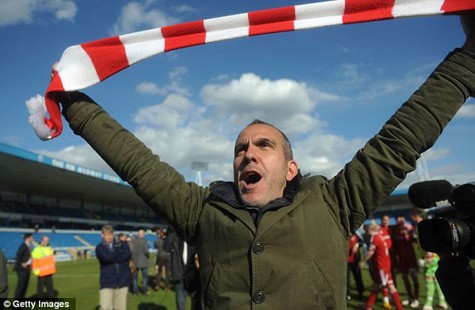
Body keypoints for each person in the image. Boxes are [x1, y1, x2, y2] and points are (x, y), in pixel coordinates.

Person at [56, 15, 475, 309]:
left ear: (291, 168)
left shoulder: (332, 204)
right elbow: (137, 163)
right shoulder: (200, 211)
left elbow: (399, 141)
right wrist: (70, 101)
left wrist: (467, 62)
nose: (248, 154)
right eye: (240, 149)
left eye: (263, 145)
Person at [409, 208, 448, 310]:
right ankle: (442, 301)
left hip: (430, 257)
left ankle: (428, 303)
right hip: (432, 256)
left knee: (429, 280)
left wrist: (428, 256)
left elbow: (430, 241)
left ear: (415, 215)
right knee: (436, 280)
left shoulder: (422, 226)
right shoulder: (423, 225)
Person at [361, 223, 403, 310]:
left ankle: (399, 308)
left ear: (368, 230)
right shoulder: (380, 236)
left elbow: (370, 252)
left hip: (382, 266)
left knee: (391, 287)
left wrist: (362, 261)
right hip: (384, 264)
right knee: (376, 285)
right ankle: (368, 306)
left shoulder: (375, 238)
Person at [95, 224, 133, 310]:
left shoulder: (123, 244)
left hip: (122, 281)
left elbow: (128, 255)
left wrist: (114, 255)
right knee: (105, 307)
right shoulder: (99, 247)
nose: (109, 237)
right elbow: (107, 258)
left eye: (111, 234)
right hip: (107, 282)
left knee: (121, 308)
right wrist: (118, 250)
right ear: (102, 235)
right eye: (107, 235)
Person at [391, 215, 420, 307]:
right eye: (399, 221)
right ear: (396, 221)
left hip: (411, 258)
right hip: (402, 260)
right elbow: (395, 246)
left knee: (414, 277)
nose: (401, 223)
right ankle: (410, 297)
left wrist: (409, 234)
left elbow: (416, 241)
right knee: (405, 278)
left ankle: (416, 298)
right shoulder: (395, 231)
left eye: (402, 221)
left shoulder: (410, 228)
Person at [131, 228, 150, 295]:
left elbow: (131, 250)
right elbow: (146, 251)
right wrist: (148, 255)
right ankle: (144, 291)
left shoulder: (133, 241)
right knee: (145, 277)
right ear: (142, 234)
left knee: (135, 278)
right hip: (144, 262)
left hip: (135, 262)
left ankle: (135, 291)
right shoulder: (144, 241)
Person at [14, 233, 33, 298]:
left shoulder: (28, 246)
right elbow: (18, 255)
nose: (32, 238)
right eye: (31, 237)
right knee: (21, 286)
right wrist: (22, 263)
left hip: (27, 269)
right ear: (28, 238)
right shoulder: (23, 246)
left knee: (25, 286)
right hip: (22, 270)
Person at [347, 233, 364, 301]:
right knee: (347, 279)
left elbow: (362, 242)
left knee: (358, 277)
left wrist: (357, 244)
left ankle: (361, 293)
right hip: (346, 261)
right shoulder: (343, 233)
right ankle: (347, 295)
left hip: (355, 261)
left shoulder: (356, 234)